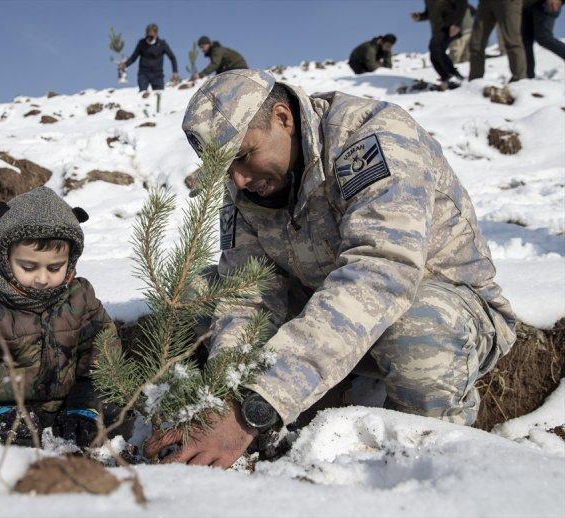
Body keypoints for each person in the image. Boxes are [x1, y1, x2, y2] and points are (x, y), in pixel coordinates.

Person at [146, 69, 516, 468]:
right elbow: (246, 296)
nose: (237, 179)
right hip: (326, 303)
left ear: (283, 119)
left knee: (417, 335)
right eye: (224, 167)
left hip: (439, 304)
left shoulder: (372, 137)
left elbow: (381, 274)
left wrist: (257, 404)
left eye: (242, 155)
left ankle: (434, 466)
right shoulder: (247, 183)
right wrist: (225, 396)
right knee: (196, 293)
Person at [0, 187, 124, 447]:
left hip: (68, 414)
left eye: (55, 267)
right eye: (28, 267)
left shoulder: (79, 298)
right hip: (5, 419)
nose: (42, 278)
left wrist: (86, 404)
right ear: (4, 258)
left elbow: (104, 354)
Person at [412, 1, 468, 87]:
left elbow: (462, 4)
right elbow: (429, 12)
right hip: (437, 29)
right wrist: (420, 16)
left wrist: (457, 24)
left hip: (449, 26)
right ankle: (448, 77)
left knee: (435, 47)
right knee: (434, 54)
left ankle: (452, 76)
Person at [468, 0, 527, 81]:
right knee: (476, 43)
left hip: (508, 2)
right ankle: (475, 81)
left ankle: (520, 80)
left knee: (512, 41)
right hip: (485, 3)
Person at [119, 23, 179, 92]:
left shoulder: (162, 44)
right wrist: (125, 64)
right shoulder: (141, 43)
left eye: (152, 35)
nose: (150, 37)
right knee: (143, 94)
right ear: (146, 33)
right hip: (143, 74)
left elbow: (172, 58)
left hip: (158, 75)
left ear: (156, 34)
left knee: (158, 95)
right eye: (148, 34)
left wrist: (175, 72)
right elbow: (133, 57)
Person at [521, 0, 565, 78]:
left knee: (544, 37)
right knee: (525, 40)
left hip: (546, 3)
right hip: (526, 4)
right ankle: (527, 75)